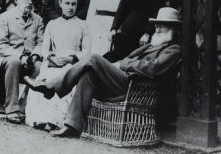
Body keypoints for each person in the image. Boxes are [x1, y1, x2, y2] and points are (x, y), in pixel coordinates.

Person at [24, 7, 182, 138]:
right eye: (157, 25)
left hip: (134, 86)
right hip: (123, 81)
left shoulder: (173, 49)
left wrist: (123, 64)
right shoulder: (150, 45)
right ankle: (72, 126)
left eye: (163, 25)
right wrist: (121, 64)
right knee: (88, 75)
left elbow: (153, 68)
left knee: (93, 58)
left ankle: (50, 86)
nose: (158, 28)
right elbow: (129, 59)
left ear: (173, 30)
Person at [25, 0, 90, 131]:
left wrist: (71, 58)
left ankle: (55, 121)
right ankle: (42, 118)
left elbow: (86, 50)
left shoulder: (83, 25)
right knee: (46, 77)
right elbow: (44, 47)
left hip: (71, 64)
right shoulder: (53, 24)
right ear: (60, 3)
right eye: (67, 3)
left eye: (73, 4)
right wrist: (51, 57)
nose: (71, 7)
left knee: (64, 81)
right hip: (53, 62)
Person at [0, 0, 44, 124]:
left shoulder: (38, 20)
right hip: (6, 60)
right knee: (14, 62)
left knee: (40, 67)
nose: (30, 3)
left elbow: (41, 43)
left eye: (33, 0)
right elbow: (1, 45)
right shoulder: (5, 17)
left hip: (29, 60)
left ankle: (24, 107)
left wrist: (35, 56)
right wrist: (20, 56)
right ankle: (12, 109)